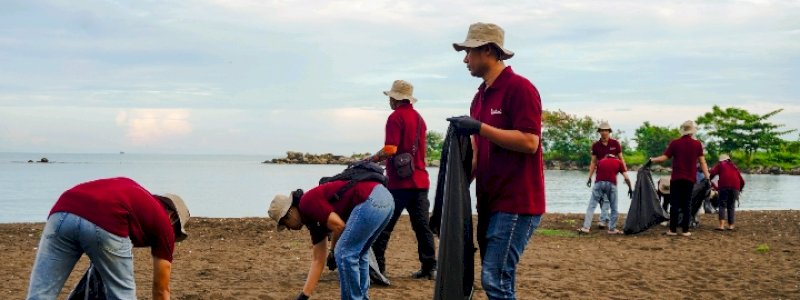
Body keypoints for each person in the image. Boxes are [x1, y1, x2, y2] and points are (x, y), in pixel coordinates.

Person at [447, 22, 545, 299]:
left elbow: (530, 142)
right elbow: (477, 154)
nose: (465, 59)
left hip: (517, 202)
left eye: (469, 52)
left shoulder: (520, 88)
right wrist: (450, 196)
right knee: (496, 278)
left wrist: (480, 128)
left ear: (488, 51)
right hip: (488, 201)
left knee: (495, 279)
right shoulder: (479, 97)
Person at [27, 177, 190, 300]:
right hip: (107, 219)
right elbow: (161, 290)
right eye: (175, 233)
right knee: (122, 295)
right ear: (173, 216)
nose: (171, 237)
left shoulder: (135, 195)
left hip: (61, 211)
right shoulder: (164, 223)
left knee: (41, 293)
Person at [268, 178, 394, 300]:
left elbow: (339, 226)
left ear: (289, 213)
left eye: (286, 225)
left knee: (344, 253)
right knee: (359, 252)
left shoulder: (306, 203)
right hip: (385, 199)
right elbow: (318, 260)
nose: (289, 228)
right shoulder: (313, 222)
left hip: (371, 200)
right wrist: (304, 296)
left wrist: (334, 251)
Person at [366, 80, 437, 279]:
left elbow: (390, 149)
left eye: (390, 97)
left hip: (399, 182)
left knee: (385, 225)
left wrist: (372, 159)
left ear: (395, 99)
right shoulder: (419, 119)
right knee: (422, 227)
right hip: (420, 181)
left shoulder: (395, 117)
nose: (389, 100)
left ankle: (378, 267)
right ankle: (430, 267)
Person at [649, 120, 710, 237]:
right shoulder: (697, 144)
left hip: (676, 178)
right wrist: (707, 177)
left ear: (682, 131)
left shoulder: (675, 143)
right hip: (690, 179)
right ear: (692, 132)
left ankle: (672, 230)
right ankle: (685, 231)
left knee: (674, 204)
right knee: (687, 204)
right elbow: (703, 162)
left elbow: (663, 158)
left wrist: (651, 160)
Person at [586, 121, 628, 229]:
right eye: (602, 130)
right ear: (599, 132)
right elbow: (593, 162)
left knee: (606, 198)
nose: (604, 132)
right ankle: (605, 217)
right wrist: (589, 176)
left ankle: (603, 220)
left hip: (612, 174)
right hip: (600, 174)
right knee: (601, 198)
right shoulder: (596, 145)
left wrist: (625, 174)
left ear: (609, 131)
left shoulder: (615, 143)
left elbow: (621, 158)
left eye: (606, 130)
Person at [577, 154, 633, 234]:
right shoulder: (619, 162)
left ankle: (586, 228)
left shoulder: (601, 161)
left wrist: (589, 178)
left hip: (598, 184)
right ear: (616, 156)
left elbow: (597, 173)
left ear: (606, 156)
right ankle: (611, 229)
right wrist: (630, 188)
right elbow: (626, 177)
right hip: (611, 184)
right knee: (614, 207)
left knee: (591, 206)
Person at [709, 154, 745, 231]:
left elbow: (712, 173)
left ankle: (721, 226)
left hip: (724, 187)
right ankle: (731, 226)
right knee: (731, 206)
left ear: (720, 160)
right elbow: (742, 181)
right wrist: (740, 189)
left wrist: (709, 180)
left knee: (722, 205)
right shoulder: (734, 167)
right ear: (729, 160)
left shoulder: (720, 165)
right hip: (735, 188)